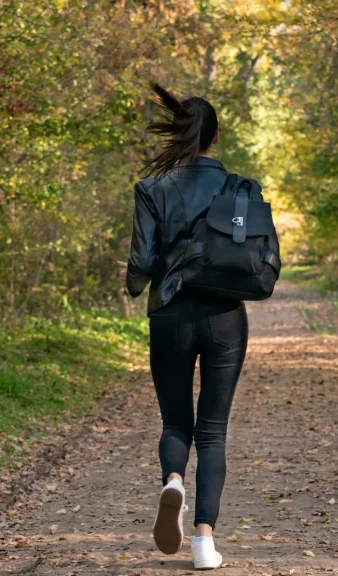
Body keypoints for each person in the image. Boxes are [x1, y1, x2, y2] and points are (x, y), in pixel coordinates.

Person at [117, 84, 256, 569]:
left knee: (176, 421)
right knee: (213, 432)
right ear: (215, 137)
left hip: (170, 315)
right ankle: (203, 544)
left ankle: (172, 482)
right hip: (225, 317)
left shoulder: (152, 189)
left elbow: (141, 263)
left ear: (178, 135)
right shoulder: (239, 188)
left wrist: (134, 281)